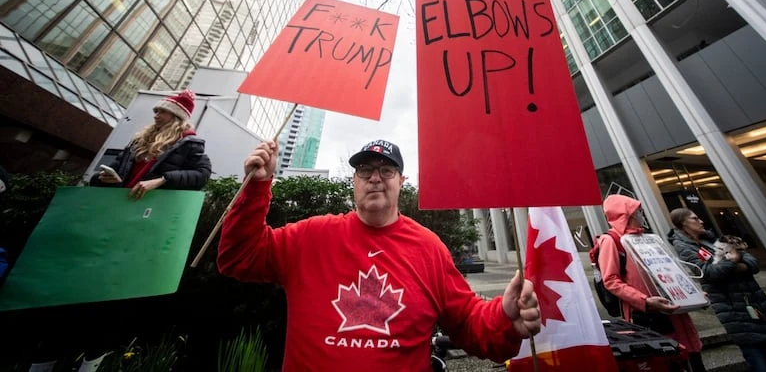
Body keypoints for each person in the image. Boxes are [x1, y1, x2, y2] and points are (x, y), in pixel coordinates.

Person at [218, 139, 542, 371]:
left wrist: (504, 317)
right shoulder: (312, 236)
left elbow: (468, 321)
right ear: (354, 183)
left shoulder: (428, 248)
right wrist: (257, 186)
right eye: (364, 170)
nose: (375, 178)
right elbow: (240, 256)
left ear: (402, 181)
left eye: (386, 170)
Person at [598, 195, 705, 372]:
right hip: (650, 315)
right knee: (669, 361)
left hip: (675, 310)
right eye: (636, 211)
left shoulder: (647, 238)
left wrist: (692, 294)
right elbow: (610, 280)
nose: (640, 215)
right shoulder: (611, 240)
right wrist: (644, 300)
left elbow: (670, 269)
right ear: (626, 214)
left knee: (693, 359)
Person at [668, 208, 766, 372]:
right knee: (759, 360)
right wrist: (732, 259)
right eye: (695, 218)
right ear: (683, 224)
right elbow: (709, 272)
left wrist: (734, 262)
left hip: (758, 302)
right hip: (733, 308)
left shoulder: (712, 239)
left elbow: (752, 262)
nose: (701, 221)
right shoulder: (684, 246)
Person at [90, 90, 212, 196]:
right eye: (156, 111)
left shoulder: (188, 143)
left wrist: (163, 180)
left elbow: (202, 174)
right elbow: (115, 168)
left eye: (162, 112)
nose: (156, 116)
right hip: (120, 200)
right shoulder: (139, 140)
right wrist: (101, 178)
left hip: (149, 208)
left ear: (176, 117)